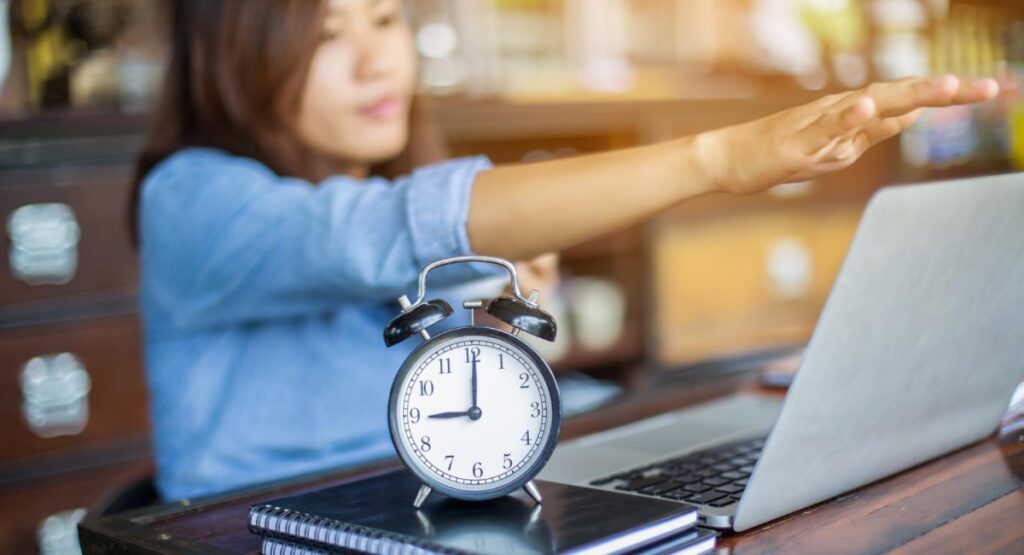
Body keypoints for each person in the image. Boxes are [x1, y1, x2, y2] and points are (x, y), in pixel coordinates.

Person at [134, 0, 999, 501]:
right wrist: (719, 158)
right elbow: (376, 228)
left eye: (386, 18)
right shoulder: (192, 198)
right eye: (326, 33)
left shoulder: (408, 184)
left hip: (429, 513)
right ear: (236, 51)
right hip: (270, 526)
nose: (374, 60)